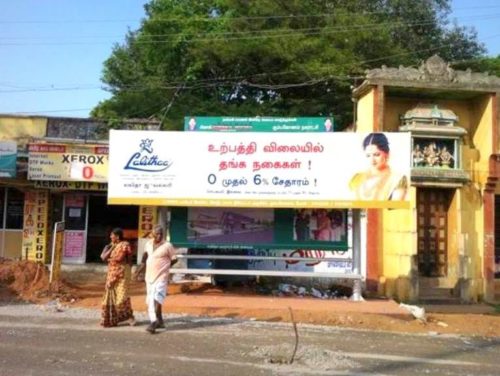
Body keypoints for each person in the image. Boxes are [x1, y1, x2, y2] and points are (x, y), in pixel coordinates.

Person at [135, 225, 177, 334]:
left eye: (161, 234)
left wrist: (166, 266)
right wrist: (138, 271)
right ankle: (160, 320)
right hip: (149, 276)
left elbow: (174, 259)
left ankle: (153, 322)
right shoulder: (148, 244)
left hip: (161, 276)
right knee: (151, 298)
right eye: (157, 233)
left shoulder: (167, 245)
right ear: (153, 234)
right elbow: (144, 258)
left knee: (156, 297)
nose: (159, 236)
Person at [349, 133, 407, 201]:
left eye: (376, 155)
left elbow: (396, 207)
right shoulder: (357, 178)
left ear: (387, 154)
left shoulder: (398, 179)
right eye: (368, 155)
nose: (372, 160)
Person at [100, 227, 135, 328]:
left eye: (112, 235)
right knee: (110, 297)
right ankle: (112, 319)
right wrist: (111, 247)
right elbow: (103, 257)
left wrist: (128, 269)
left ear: (117, 236)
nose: (110, 237)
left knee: (121, 298)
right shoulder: (109, 246)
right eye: (110, 235)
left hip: (123, 273)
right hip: (112, 274)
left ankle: (129, 316)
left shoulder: (125, 245)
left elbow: (124, 258)